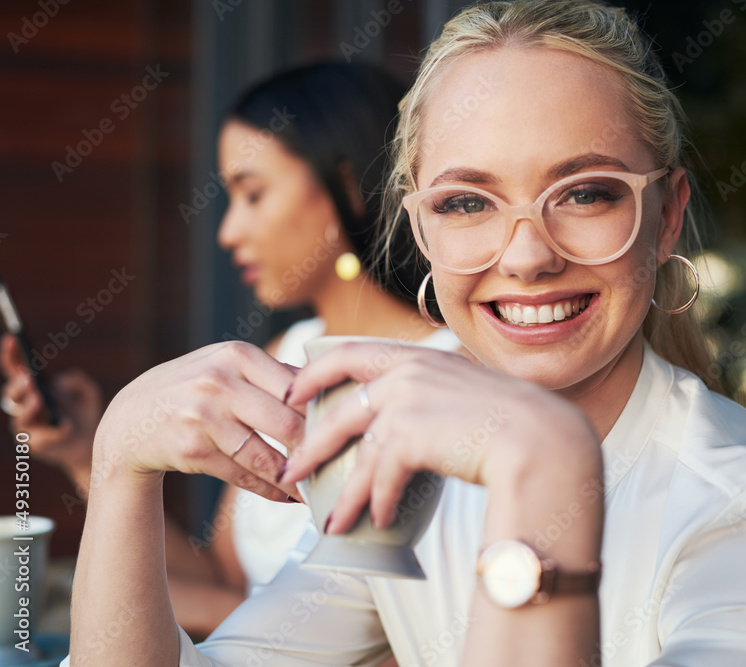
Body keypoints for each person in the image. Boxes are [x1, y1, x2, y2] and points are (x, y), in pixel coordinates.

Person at [62, 1, 746, 665]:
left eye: (586, 193)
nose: (526, 256)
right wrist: (121, 454)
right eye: (466, 203)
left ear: (665, 221)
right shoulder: (408, 460)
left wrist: (544, 466)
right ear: (420, 228)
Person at [1, 62, 455, 640]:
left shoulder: (451, 371)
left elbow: (394, 635)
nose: (228, 231)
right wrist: (89, 453)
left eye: (254, 194)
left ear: (345, 185)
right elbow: (223, 582)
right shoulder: (283, 354)